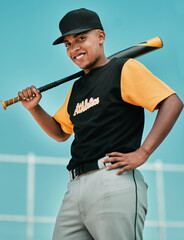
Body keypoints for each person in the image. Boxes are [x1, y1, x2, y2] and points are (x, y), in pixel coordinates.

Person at [18, 8, 183, 240]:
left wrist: (143, 152)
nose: (73, 48)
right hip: (75, 187)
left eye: (81, 38)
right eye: (67, 44)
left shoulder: (123, 69)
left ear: (101, 37)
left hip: (113, 180)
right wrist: (34, 108)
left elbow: (172, 102)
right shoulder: (78, 88)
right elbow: (60, 132)